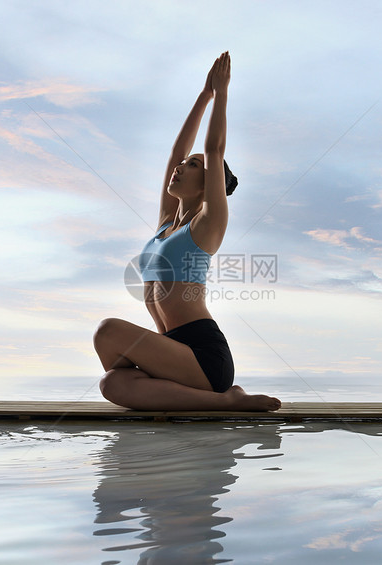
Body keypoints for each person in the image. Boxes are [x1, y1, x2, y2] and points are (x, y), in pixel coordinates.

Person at [93, 52, 281, 412]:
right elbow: (176, 151)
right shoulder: (167, 223)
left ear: (208, 181)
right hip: (172, 350)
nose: (180, 167)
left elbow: (213, 148)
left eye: (192, 166)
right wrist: (203, 94)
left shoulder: (206, 224)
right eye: (182, 164)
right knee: (111, 383)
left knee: (107, 330)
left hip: (201, 353)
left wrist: (222, 93)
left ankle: (226, 401)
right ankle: (217, 399)